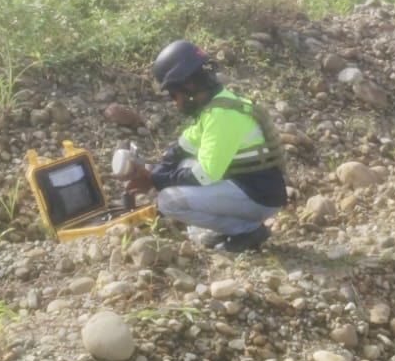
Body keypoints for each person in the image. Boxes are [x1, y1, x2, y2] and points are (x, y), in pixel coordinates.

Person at [122, 40, 286, 252]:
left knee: (168, 201)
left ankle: (245, 229)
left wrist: (156, 180)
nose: (176, 103)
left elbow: (204, 175)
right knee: (185, 164)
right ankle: (235, 227)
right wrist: (153, 175)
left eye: (174, 95)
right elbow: (179, 151)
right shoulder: (217, 106)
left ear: (188, 86)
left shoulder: (221, 116)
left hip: (259, 196)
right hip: (252, 187)